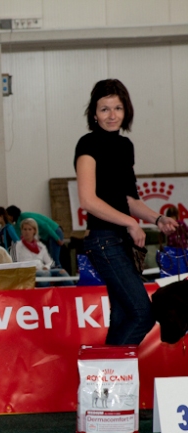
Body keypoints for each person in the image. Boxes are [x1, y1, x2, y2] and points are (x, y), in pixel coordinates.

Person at [75, 79, 177, 345]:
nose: (112, 115)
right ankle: (106, 368)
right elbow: (87, 200)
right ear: (94, 114)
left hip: (121, 241)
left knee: (123, 317)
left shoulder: (125, 146)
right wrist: (131, 223)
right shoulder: (87, 144)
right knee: (142, 315)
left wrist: (157, 218)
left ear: (126, 110)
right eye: (104, 109)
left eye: (118, 108)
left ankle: (108, 370)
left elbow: (129, 199)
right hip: (103, 240)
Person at [11, 218, 72, 287]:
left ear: (34, 231)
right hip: (27, 272)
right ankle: (43, 292)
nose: (27, 232)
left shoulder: (40, 245)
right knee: (45, 274)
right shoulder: (16, 245)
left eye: (29, 229)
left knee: (62, 272)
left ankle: (74, 292)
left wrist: (46, 267)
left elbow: (50, 262)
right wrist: (31, 269)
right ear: (21, 231)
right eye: (25, 229)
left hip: (41, 269)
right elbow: (14, 263)